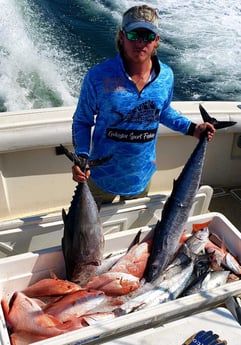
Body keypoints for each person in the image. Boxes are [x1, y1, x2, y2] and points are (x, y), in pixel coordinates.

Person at [72, 4, 215, 204]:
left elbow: (162, 111)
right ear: (122, 37)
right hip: (100, 178)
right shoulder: (98, 77)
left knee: (131, 234)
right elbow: (82, 121)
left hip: (140, 179)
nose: (140, 42)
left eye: (147, 36)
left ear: (156, 40)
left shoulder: (166, 76)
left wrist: (193, 129)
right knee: (85, 235)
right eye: (134, 35)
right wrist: (81, 156)